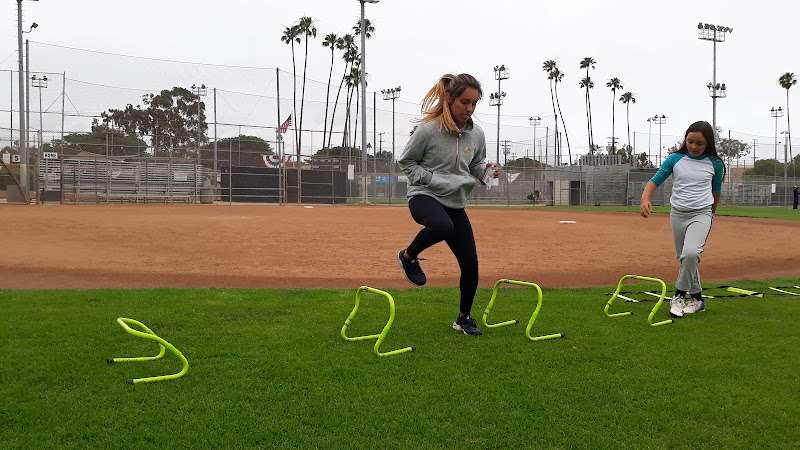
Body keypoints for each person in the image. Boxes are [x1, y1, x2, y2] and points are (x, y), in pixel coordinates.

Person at [396, 73, 497, 336]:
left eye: (475, 103)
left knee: (471, 265)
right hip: (424, 195)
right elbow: (406, 162)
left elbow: (475, 165)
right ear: (450, 99)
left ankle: (464, 318)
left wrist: (487, 172)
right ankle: (408, 256)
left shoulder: (477, 134)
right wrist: (432, 180)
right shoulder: (428, 130)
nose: (470, 109)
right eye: (465, 102)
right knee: (442, 226)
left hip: (455, 202)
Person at [640, 121, 725, 318]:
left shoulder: (715, 164)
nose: (694, 146)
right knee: (686, 259)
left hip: (701, 214)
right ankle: (697, 299)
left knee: (690, 253)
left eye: (699, 143)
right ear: (685, 139)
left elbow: (716, 192)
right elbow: (655, 180)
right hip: (678, 214)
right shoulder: (674, 159)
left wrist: (712, 213)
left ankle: (678, 296)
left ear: (708, 143)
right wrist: (645, 199)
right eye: (690, 141)